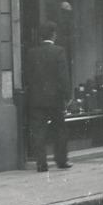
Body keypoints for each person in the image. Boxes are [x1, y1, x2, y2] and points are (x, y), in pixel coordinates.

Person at [25, 21, 73, 172]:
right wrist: (68, 95)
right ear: (54, 35)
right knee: (60, 129)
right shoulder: (59, 51)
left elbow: (27, 77)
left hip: (37, 100)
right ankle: (61, 161)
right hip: (55, 99)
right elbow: (63, 76)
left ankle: (41, 163)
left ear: (40, 36)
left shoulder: (31, 53)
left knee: (38, 131)